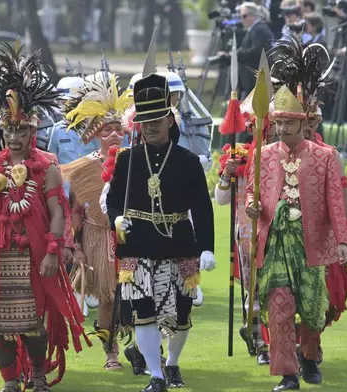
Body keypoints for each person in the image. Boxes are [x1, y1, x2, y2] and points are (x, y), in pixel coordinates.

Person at [0, 42, 87, 392]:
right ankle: (9, 380)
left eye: (22, 131)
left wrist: (52, 249)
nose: (15, 137)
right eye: (10, 131)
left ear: (33, 131)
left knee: (31, 320)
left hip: (32, 255)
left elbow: (57, 211)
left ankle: (37, 374)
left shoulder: (47, 166)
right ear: (2, 130)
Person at [106, 73, 215, 392]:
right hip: (137, 244)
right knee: (144, 314)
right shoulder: (127, 159)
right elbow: (113, 201)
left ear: (169, 119)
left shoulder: (189, 161)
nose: (150, 126)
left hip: (179, 242)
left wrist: (206, 247)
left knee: (179, 315)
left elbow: (202, 207)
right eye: (145, 121)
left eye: (156, 120)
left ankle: (172, 363)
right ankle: (155, 374)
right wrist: (116, 221)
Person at [245, 85, 347, 392]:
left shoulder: (325, 156)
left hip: (312, 244)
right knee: (278, 306)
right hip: (275, 242)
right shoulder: (262, 155)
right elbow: (254, 196)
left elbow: (334, 200)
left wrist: (342, 242)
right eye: (278, 123)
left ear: (303, 124)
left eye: (288, 123)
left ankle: (308, 357)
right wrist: (251, 207)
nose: (281, 129)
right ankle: (287, 374)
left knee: (313, 310)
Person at [62, 73, 130, 371]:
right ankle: (110, 351)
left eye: (118, 129)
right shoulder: (84, 168)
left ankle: (143, 348)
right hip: (98, 237)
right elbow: (74, 211)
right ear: (94, 135)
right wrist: (76, 247)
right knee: (106, 296)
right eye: (107, 130)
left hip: (131, 237)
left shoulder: (135, 161)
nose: (114, 135)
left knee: (138, 293)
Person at [215, 92, 275, 366]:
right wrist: (227, 175)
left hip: (282, 232)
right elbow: (222, 198)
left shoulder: (286, 155)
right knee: (256, 290)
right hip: (250, 233)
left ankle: (281, 342)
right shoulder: (237, 156)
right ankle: (261, 343)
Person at [47, 76, 100, 164]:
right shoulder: (55, 130)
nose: (66, 106)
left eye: (72, 102)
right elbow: (52, 161)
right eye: (63, 102)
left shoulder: (97, 126)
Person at [229, 2, 274, 99]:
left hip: (255, 77)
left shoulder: (259, 30)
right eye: (240, 16)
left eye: (244, 16)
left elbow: (257, 51)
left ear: (254, 15)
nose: (241, 19)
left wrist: (238, 54)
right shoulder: (254, 29)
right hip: (251, 78)